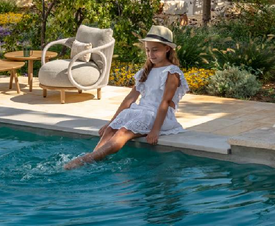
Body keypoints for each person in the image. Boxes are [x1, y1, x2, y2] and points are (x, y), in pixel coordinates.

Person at [64, 25, 188, 169]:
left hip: (159, 116)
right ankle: (95, 156)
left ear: (167, 48)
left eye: (155, 50)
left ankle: (87, 159)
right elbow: (129, 99)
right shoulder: (146, 71)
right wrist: (110, 123)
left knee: (122, 132)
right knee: (111, 129)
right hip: (142, 111)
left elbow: (165, 102)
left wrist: (155, 130)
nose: (151, 54)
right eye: (148, 50)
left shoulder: (172, 72)